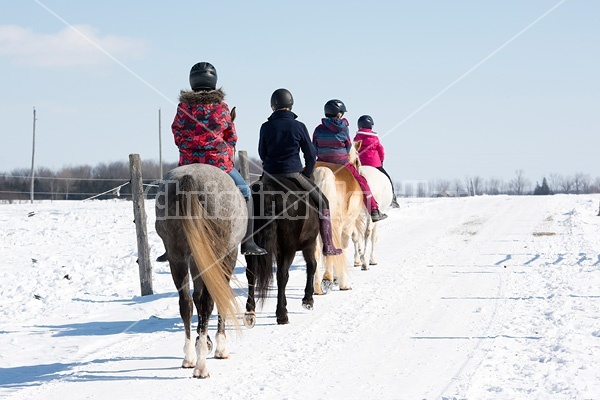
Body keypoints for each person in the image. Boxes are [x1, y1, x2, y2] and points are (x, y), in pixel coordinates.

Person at [170, 61, 266, 256]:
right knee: (245, 191)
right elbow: (232, 136)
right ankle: (248, 242)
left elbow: (176, 132)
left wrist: (186, 148)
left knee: (168, 194)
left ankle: (171, 244)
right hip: (219, 164)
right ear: (213, 82)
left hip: (188, 164)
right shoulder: (222, 108)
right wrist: (225, 152)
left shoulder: (183, 107)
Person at [258, 88, 342, 256]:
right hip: (294, 174)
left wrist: (269, 168)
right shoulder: (299, 126)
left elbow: (262, 152)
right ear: (290, 105)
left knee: (251, 202)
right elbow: (310, 154)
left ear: (272, 106)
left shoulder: (265, 126)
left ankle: (250, 241)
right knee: (323, 202)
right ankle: (328, 245)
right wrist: (307, 172)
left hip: (270, 175)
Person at [312, 100, 387, 223]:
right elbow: (348, 147)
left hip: (321, 162)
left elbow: (313, 146)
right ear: (339, 114)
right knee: (362, 181)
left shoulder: (318, 129)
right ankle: (373, 210)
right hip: (341, 163)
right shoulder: (344, 129)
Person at [353, 115, 400, 208]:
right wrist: (381, 160)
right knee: (387, 179)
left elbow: (354, 149)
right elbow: (381, 150)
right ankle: (393, 199)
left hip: (360, 164)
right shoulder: (374, 138)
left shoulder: (357, 137)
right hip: (375, 164)